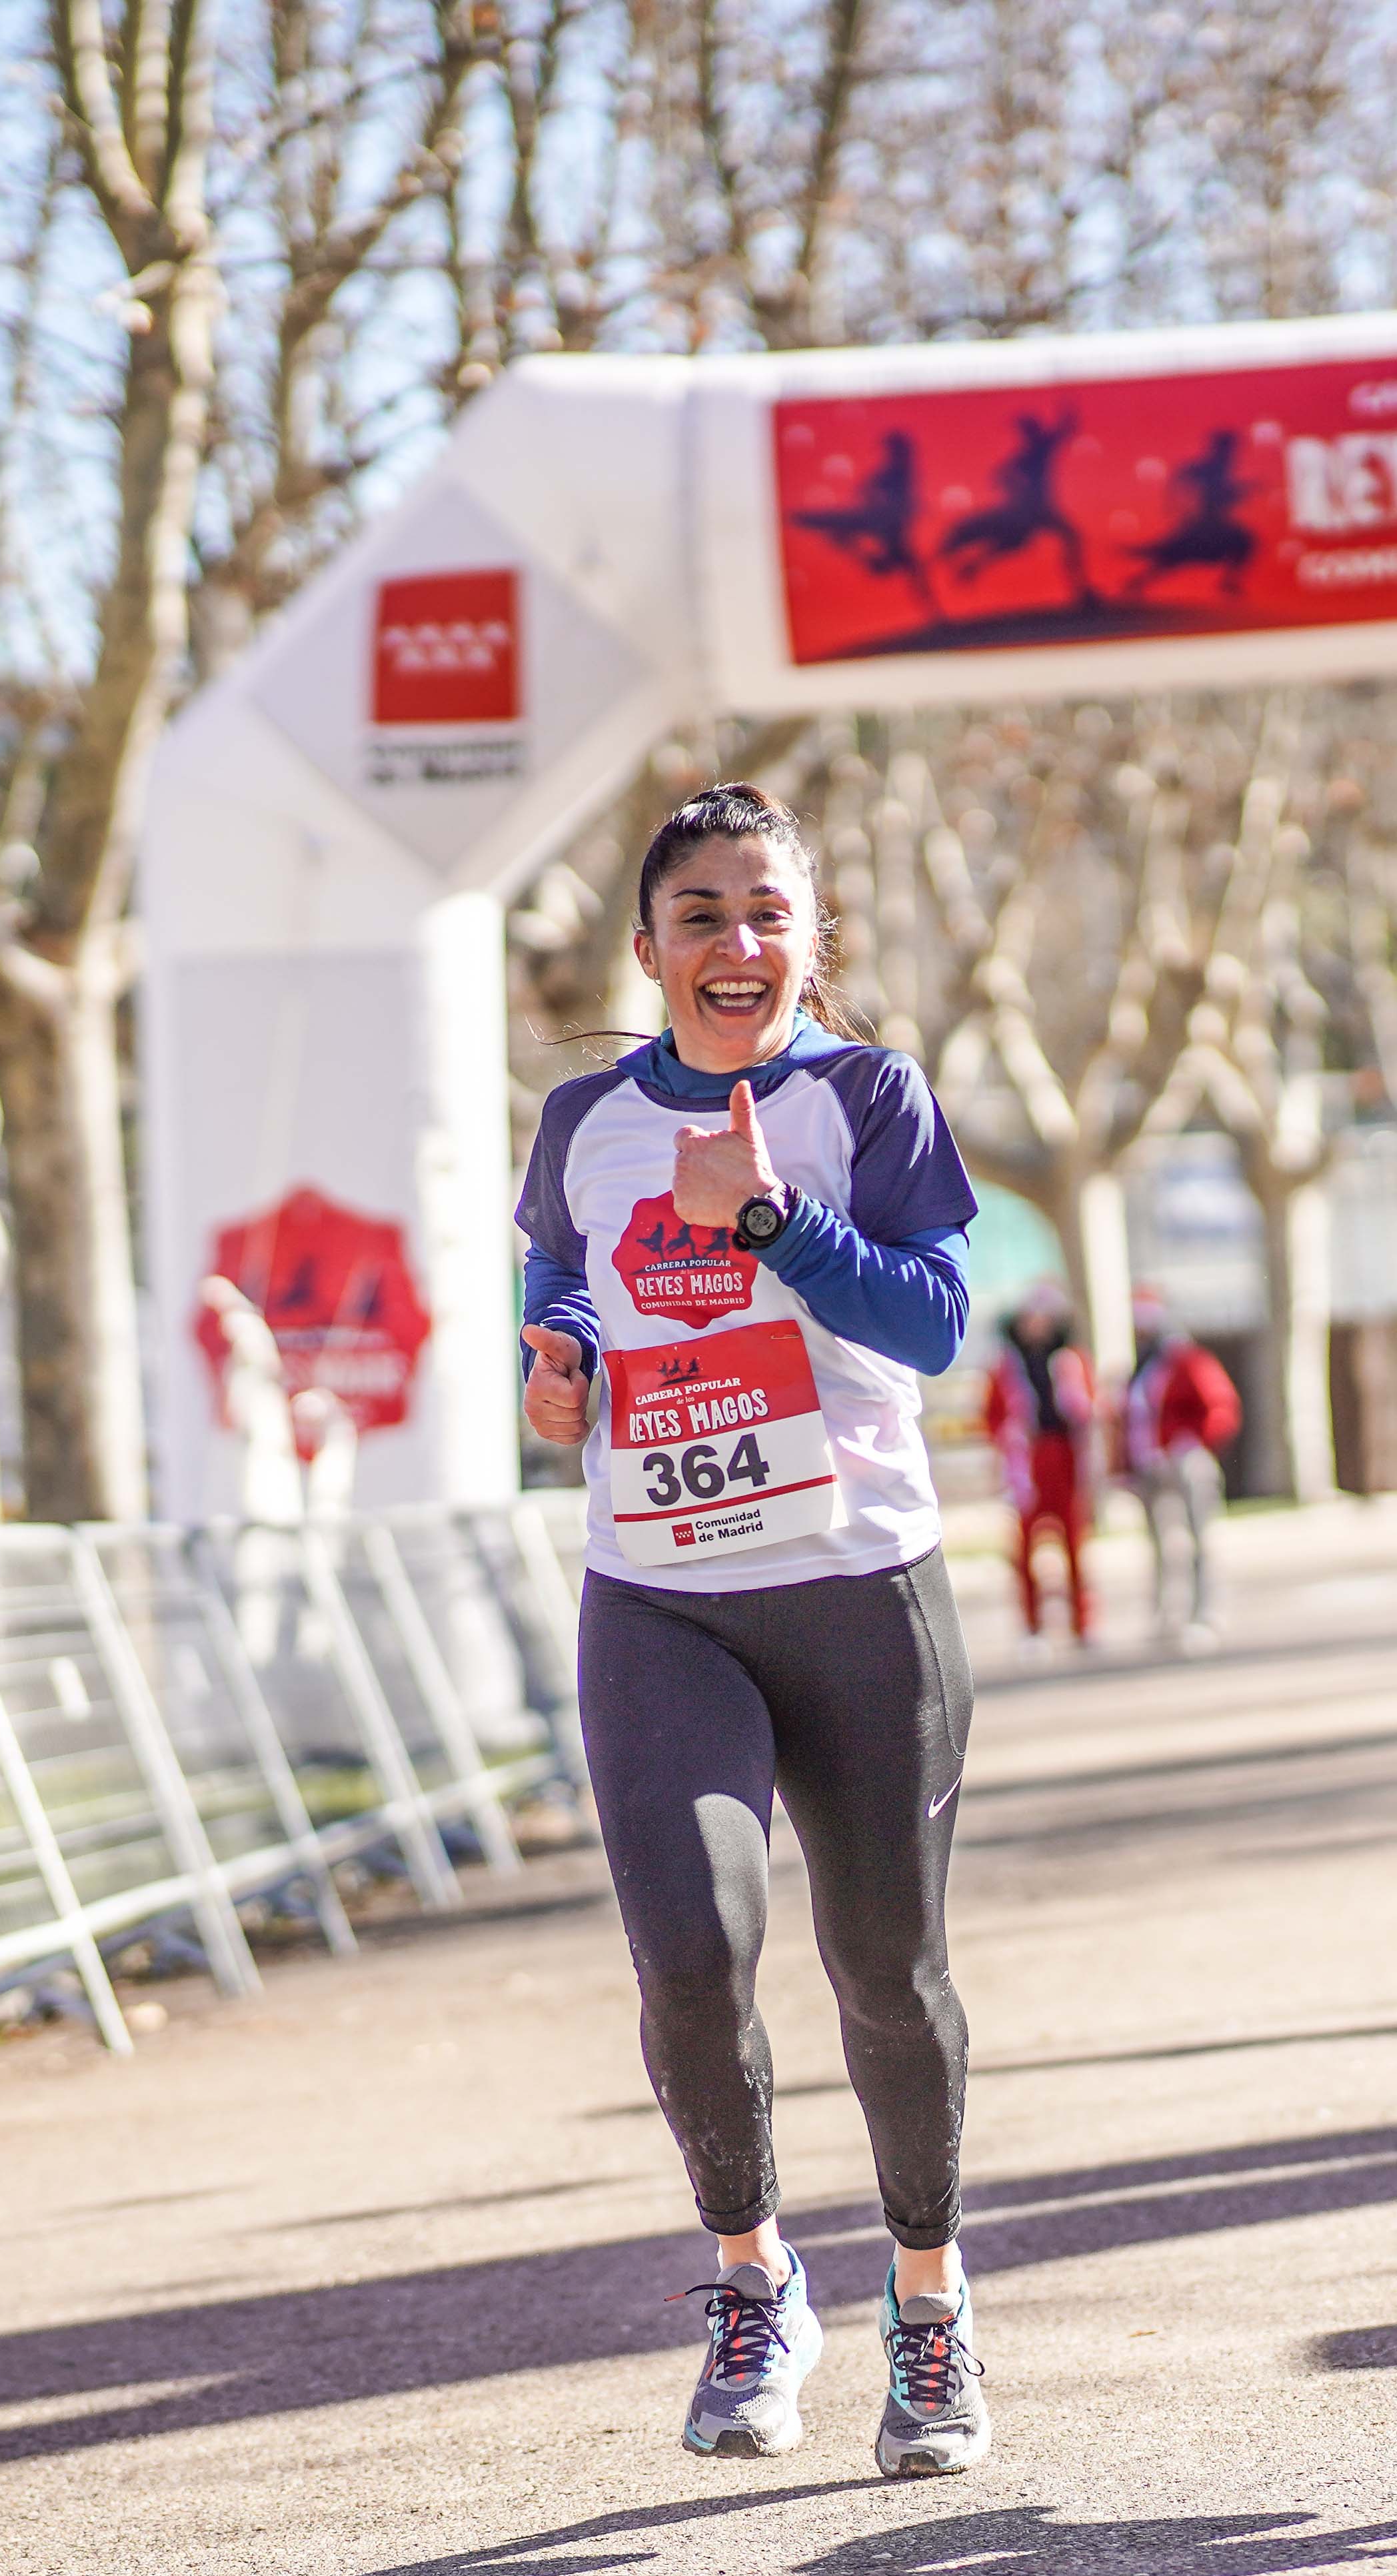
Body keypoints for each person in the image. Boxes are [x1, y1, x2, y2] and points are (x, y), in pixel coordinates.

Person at [515, 782, 994, 2479]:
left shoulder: (869, 1096)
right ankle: (753, 2277)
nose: (737, 943)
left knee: (884, 1970)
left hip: (862, 1587)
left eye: (768, 912)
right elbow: (561, 1291)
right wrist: (558, 1357)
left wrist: (773, 1218)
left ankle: (927, 2313)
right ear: (647, 948)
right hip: (657, 1594)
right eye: (701, 915)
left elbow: (937, 1321)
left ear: (814, 942)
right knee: (691, 1956)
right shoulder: (584, 1121)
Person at [978, 1287, 1098, 1649]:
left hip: (1064, 1456)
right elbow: (992, 1417)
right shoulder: (1005, 1368)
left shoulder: (1071, 1362)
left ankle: (1084, 1623)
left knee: (1075, 1544)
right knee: (1025, 1548)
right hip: (1027, 1461)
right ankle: (1032, 1627)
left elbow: (1091, 1410)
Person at [1117, 1289, 1239, 1644]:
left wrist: (1194, 1443)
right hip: (1150, 1464)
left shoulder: (1187, 1359)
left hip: (1184, 1461)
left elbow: (1220, 1406)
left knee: (1199, 1540)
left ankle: (1206, 1613)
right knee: (1160, 1545)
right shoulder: (1142, 1363)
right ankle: (1166, 1616)